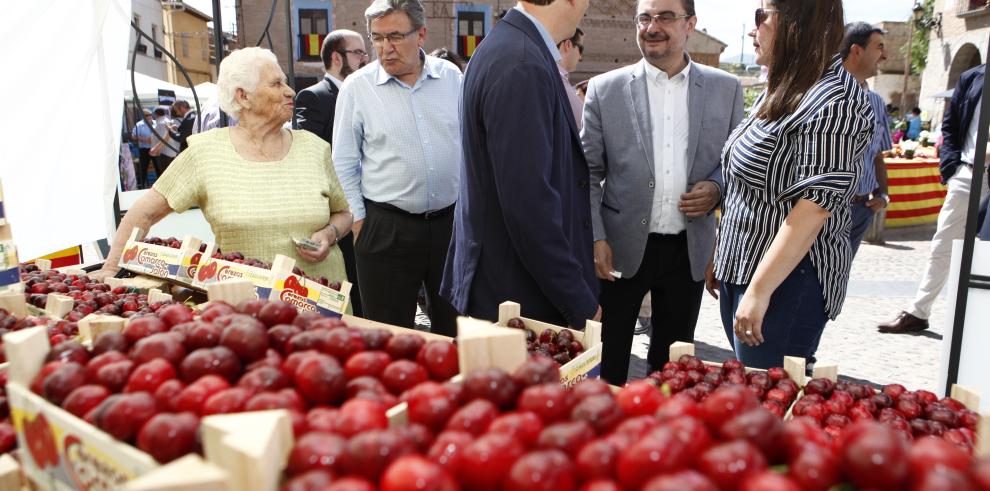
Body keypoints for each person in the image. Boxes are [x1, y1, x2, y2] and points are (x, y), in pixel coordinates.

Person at [93, 47, 353, 288]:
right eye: (276, 83)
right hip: (246, 308)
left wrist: (330, 234)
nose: (290, 91)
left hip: (323, 301)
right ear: (243, 96)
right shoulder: (206, 152)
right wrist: (111, 267)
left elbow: (344, 213)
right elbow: (143, 213)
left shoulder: (316, 148)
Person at [584, 0, 744, 384]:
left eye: (665, 17)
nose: (652, 26)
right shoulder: (606, 89)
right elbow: (587, 172)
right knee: (609, 358)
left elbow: (736, 162)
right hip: (619, 250)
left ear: (690, 24)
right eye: (644, 17)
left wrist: (718, 187)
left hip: (688, 249)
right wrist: (596, 236)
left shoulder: (726, 89)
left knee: (672, 366)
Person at [709, 0, 873, 369]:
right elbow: (746, 187)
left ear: (796, 23)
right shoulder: (787, 84)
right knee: (752, 396)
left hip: (786, 283)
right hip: (749, 272)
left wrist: (759, 290)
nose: (752, 29)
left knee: (768, 407)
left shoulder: (835, 98)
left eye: (760, 16)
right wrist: (722, 253)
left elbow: (815, 206)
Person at [441, 0, 600, 329]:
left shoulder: (513, 47)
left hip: (508, 288)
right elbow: (529, 205)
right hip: (519, 299)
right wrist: (579, 301)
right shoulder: (522, 62)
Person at [333, 0, 462, 336]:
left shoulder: (452, 78)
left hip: (450, 228)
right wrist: (360, 221)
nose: (384, 48)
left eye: (394, 36)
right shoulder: (357, 88)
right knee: (388, 338)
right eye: (376, 38)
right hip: (386, 229)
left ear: (421, 34)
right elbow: (343, 162)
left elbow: (467, 145)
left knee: (456, 333)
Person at [879, 64, 990, 334]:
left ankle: (979, 324)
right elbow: (951, 126)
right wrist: (951, 168)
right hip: (968, 172)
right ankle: (919, 311)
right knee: (943, 243)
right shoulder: (974, 77)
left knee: (987, 250)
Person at [295, 29, 369, 317]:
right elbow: (310, 156)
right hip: (338, 213)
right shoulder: (314, 97)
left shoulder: (368, 93)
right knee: (351, 288)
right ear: (337, 58)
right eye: (359, 53)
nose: (366, 58)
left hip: (373, 208)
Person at [841, 22, 892, 257]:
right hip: (824, 212)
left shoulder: (877, 103)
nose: (885, 55)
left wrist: (883, 196)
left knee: (838, 283)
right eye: (879, 47)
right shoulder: (825, 96)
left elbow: (878, 156)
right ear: (857, 51)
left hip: (861, 209)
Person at [558, 27, 584, 128]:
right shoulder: (559, 79)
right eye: (580, 49)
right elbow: (584, 123)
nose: (580, 57)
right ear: (568, 45)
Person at [151, 107, 178, 180]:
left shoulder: (161, 123)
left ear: (156, 114)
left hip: (164, 153)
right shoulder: (166, 121)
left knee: (165, 176)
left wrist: (156, 150)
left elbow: (163, 139)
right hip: (168, 153)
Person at [131, 109, 155, 189]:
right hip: (144, 149)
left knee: (158, 167)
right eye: (146, 115)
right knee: (143, 167)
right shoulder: (139, 125)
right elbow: (133, 136)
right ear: (143, 116)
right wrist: (145, 139)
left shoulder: (156, 123)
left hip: (155, 148)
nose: (149, 116)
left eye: (150, 114)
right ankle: (141, 185)